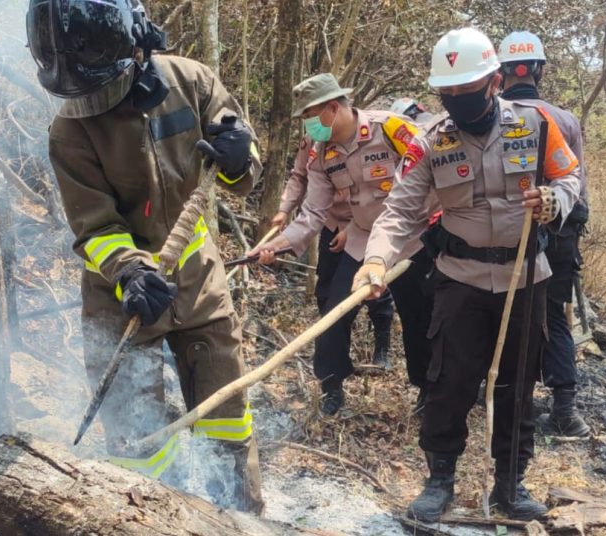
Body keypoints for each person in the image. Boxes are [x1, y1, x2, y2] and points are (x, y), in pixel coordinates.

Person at [26, 0, 263, 513]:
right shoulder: (69, 130)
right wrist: (129, 269)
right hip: (122, 297)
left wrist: (239, 158)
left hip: (199, 287)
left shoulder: (192, 82)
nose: (94, 107)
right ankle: (150, 518)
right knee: (138, 444)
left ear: (136, 44)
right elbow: (95, 225)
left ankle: (240, 518)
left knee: (227, 419)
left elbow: (241, 177)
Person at [353, 28, 581, 521]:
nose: (457, 101)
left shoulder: (537, 124)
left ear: (495, 81)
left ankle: (510, 485)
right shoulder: (430, 142)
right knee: (447, 381)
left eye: (467, 91)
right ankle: (439, 482)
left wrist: (553, 200)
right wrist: (375, 261)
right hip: (460, 279)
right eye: (447, 94)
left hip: (526, 278)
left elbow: (569, 177)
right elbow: (399, 212)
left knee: (518, 386)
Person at [250, 73, 427, 416]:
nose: (308, 127)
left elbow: (435, 170)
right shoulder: (321, 153)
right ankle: (332, 387)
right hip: (363, 240)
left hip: (413, 238)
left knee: (421, 319)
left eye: (309, 117)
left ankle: (428, 391)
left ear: (332, 108)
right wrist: (279, 246)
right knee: (333, 314)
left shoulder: (390, 128)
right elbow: (313, 212)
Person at [498, 31, 590, 437]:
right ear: (539, 70)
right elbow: (576, 188)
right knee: (552, 315)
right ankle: (565, 409)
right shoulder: (565, 120)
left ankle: (515, 401)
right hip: (559, 232)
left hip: (504, 234)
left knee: (506, 313)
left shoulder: (493, 115)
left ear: (500, 73)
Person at [271, 136, 395, 369]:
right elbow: (299, 176)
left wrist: (350, 229)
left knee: (370, 289)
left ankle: (382, 346)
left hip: (365, 227)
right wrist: (284, 209)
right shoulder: (310, 144)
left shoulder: (362, 139)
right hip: (330, 223)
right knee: (326, 293)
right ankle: (337, 359)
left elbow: (376, 194)